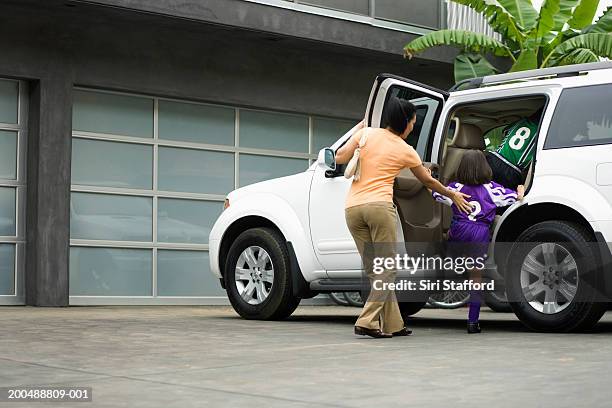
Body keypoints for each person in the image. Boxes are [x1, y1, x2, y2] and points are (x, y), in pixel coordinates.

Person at [335, 97, 472, 339]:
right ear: (406, 123)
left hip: (352, 209)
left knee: (375, 269)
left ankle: (393, 324)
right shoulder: (405, 150)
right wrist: (452, 194)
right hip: (379, 208)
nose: (412, 127)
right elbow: (428, 181)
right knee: (388, 268)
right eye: (413, 122)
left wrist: (359, 128)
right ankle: (367, 320)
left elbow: (338, 158)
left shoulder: (366, 134)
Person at [432, 149, 524, 334]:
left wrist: (429, 177)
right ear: (485, 168)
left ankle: (449, 268)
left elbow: (435, 194)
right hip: (479, 234)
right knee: (476, 279)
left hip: (459, 231)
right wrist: (520, 188)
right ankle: (473, 322)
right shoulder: (493, 189)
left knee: (448, 240)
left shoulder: (455, 188)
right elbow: (517, 197)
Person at [485, 108, 542, 190]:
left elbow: (505, 131)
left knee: (487, 190)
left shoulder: (522, 121)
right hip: (512, 170)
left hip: (494, 159)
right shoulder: (541, 130)